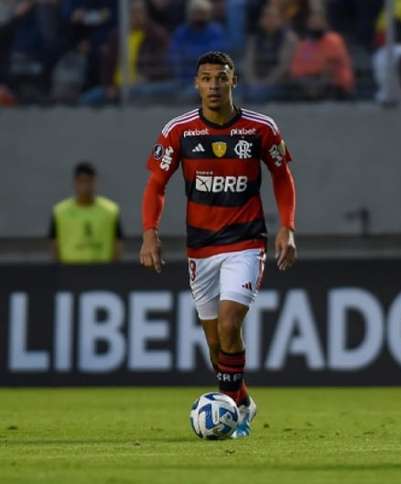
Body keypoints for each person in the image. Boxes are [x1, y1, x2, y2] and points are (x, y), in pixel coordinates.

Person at [139, 51, 297, 439]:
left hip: (245, 242)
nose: (213, 85)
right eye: (206, 78)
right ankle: (241, 401)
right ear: (196, 84)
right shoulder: (179, 130)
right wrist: (150, 233)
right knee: (215, 344)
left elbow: (282, 176)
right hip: (201, 248)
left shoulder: (260, 128)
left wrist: (287, 227)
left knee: (229, 325)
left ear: (234, 82)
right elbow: (156, 186)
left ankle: (231, 419)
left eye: (221, 78)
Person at [80, 0, 170, 106]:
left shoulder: (156, 35)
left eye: (139, 12)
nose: (136, 15)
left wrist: (146, 78)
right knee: (86, 100)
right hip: (117, 87)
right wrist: (109, 86)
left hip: (143, 85)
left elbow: (162, 65)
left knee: (145, 92)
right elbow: (107, 64)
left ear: (146, 14)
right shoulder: (117, 35)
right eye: (133, 12)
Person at [50, 161, 123, 263]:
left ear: (95, 182)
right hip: (70, 273)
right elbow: (55, 246)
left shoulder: (111, 210)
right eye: (81, 181)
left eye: (89, 181)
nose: (85, 186)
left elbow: (117, 245)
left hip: (102, 272)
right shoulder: (60, 211)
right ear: (75, 182)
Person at [289, 10, 354, 100]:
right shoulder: (304, 44)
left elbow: (332, 67)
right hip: (307, 84)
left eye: (319, 21)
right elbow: (296, 69)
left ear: (325, 23)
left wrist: (316, 82)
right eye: (313, 22)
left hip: (334, 85)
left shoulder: (334, 40)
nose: (316, 25)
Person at [241, 3, 298, 103]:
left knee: (256, 95)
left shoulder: (288, 38)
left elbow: (283, 66)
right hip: (255, 82)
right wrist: (253, 81)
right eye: (266, 16)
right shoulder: (254, 38)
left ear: (280, 19)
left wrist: (266, 83)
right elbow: (248, 62)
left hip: (278, 82)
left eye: (273, 16)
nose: (269, 19)